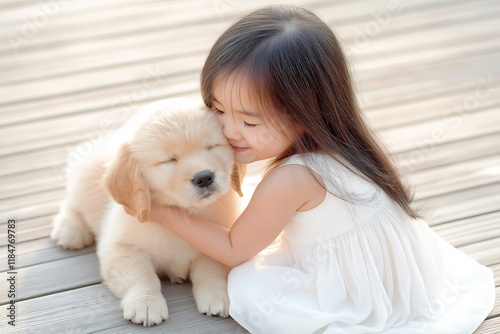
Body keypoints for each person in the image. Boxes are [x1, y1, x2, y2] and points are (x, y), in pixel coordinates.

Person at [128, 5, 495, 333]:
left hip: (357, 294)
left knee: (247, 284)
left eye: (250, 123)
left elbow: (234, 250)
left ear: (303, 116)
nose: (227, 130)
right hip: (406, 275)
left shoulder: (291, 179)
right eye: (218, 109)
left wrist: (165, 214)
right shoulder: (344, 146)